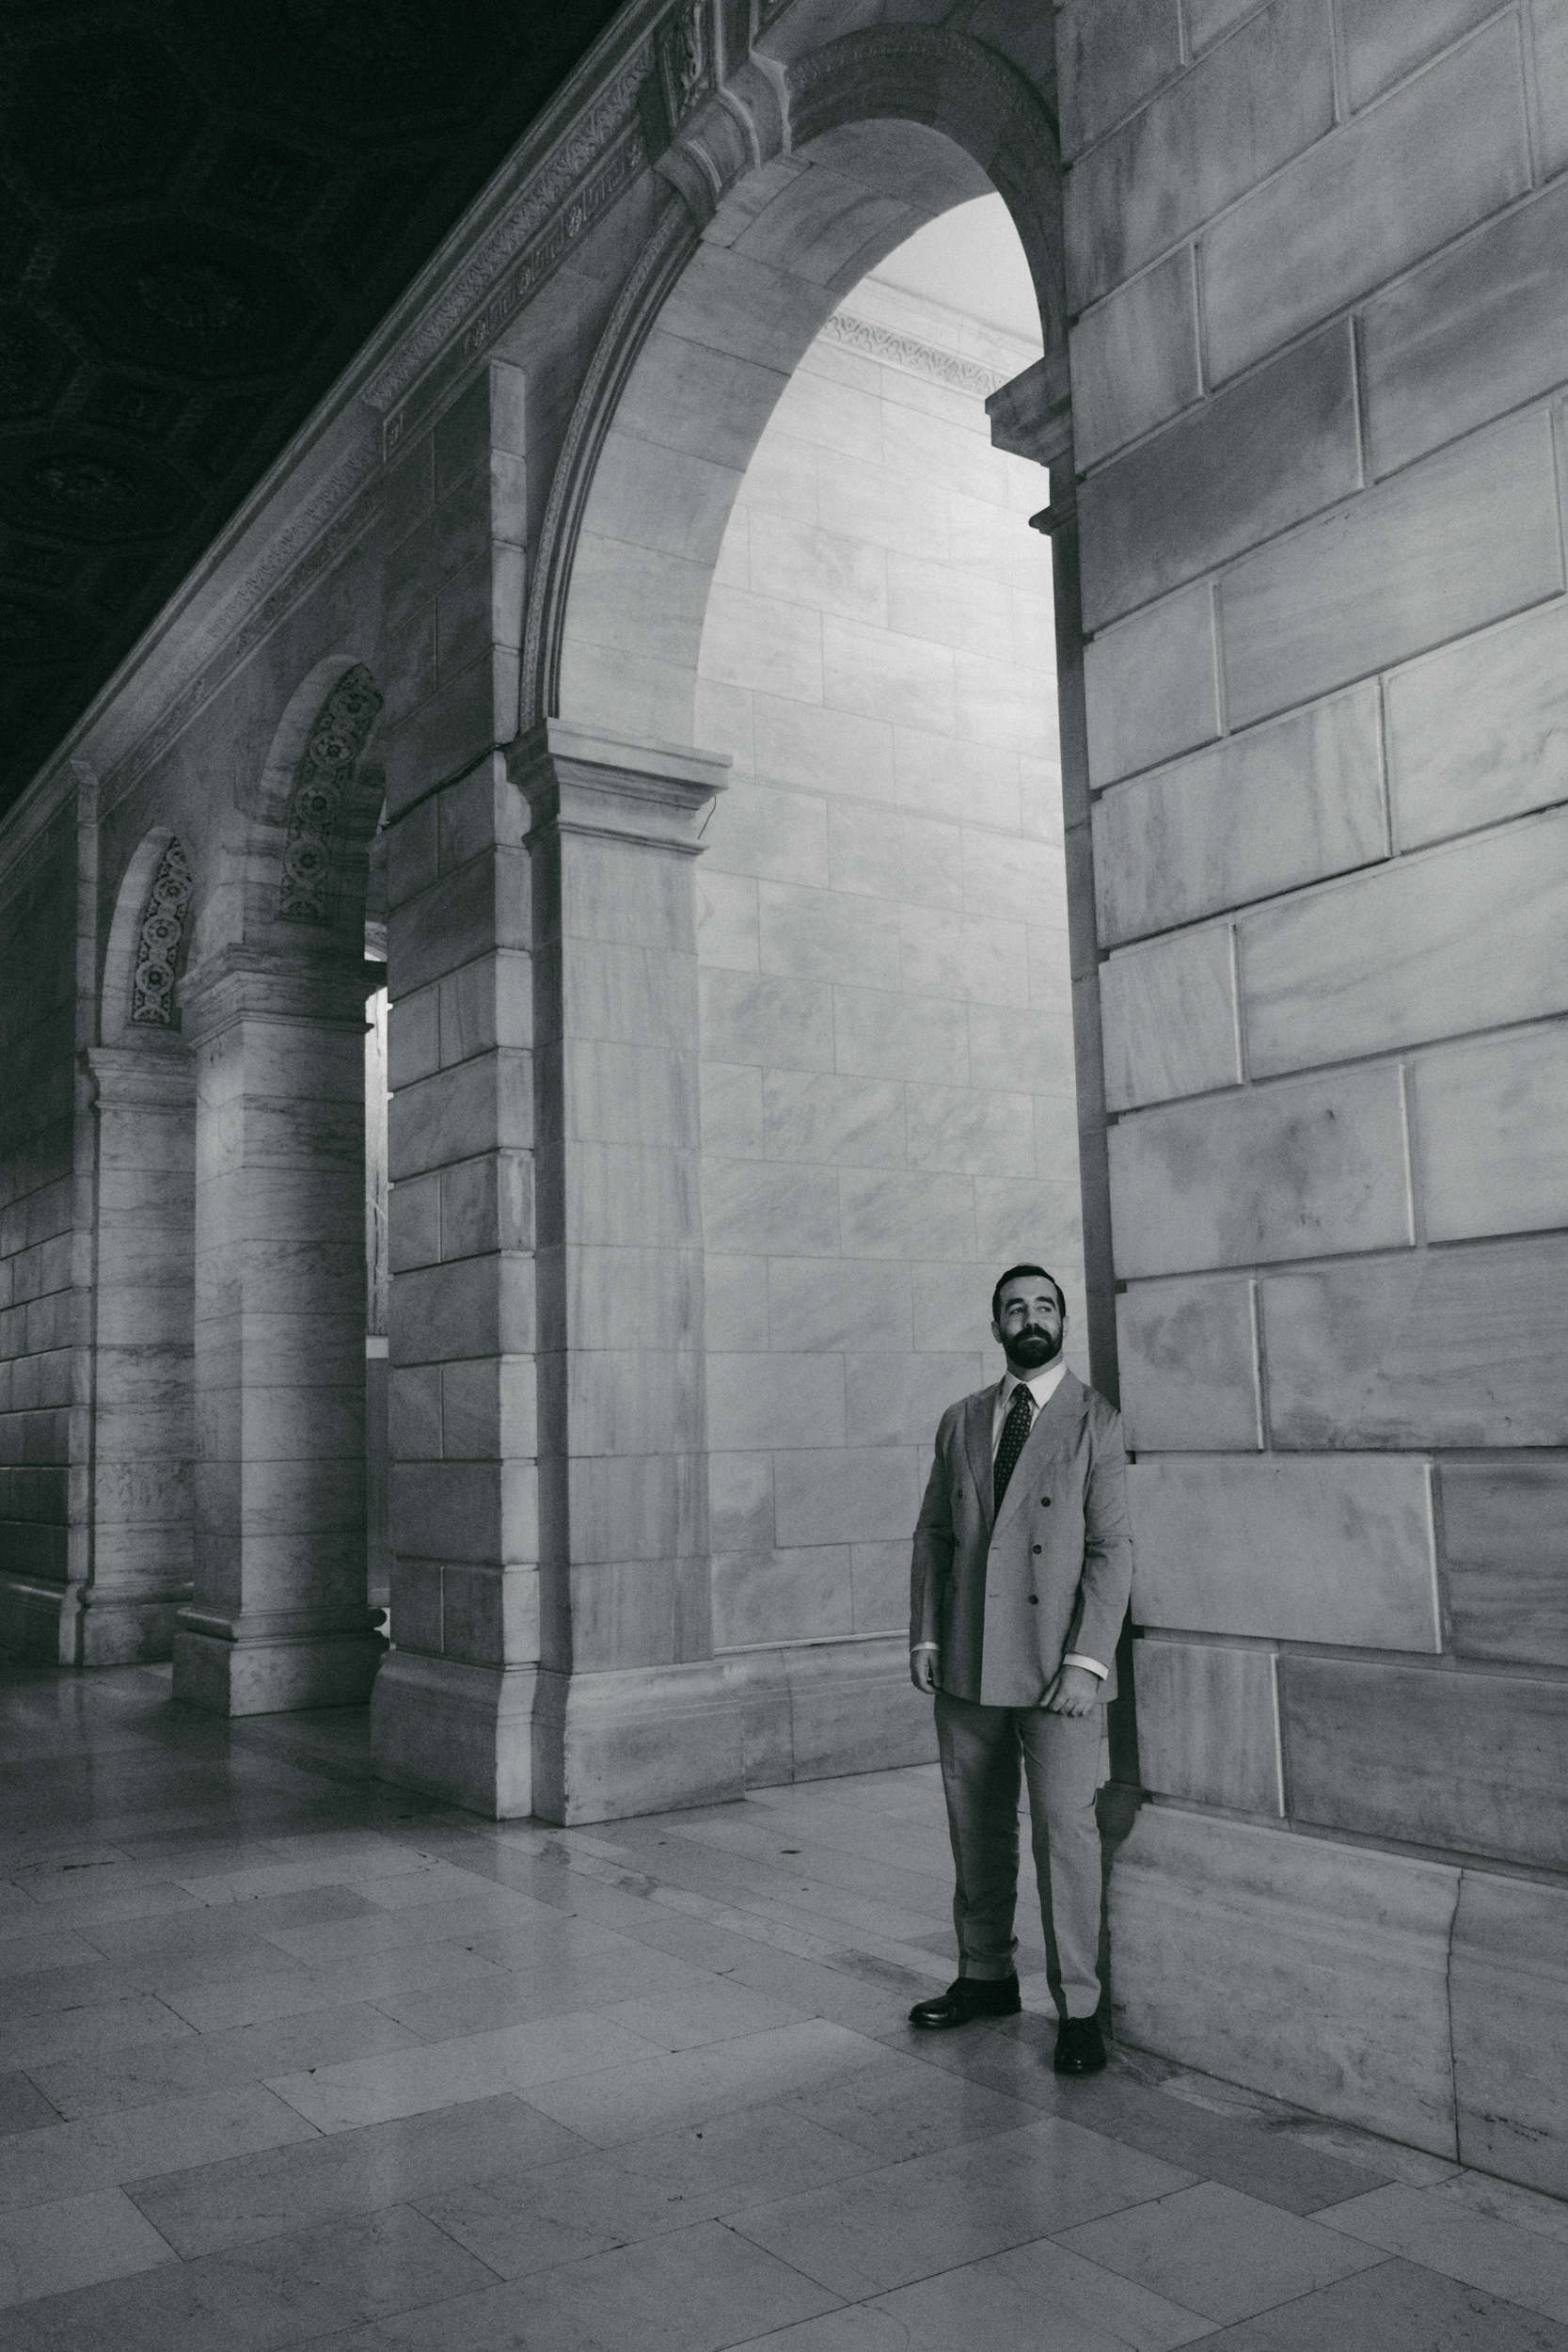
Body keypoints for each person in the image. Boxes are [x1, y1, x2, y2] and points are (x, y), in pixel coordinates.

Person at [908, 1263, 1133, 2074]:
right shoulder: (962, 1419)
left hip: (1057, 1668)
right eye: (1014, 1308)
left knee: (1065, 1833)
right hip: (967, 1659)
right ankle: (984, 1975)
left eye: (1043, 1306)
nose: (1029, 1318)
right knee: (974, 1823)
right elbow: (933, 1537)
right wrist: (925, 1637)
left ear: (1062, 1322)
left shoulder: (1093, 1421)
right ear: (995, 1324)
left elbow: (1111, 1551)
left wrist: (1086, 1662)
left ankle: (1078, 2005)